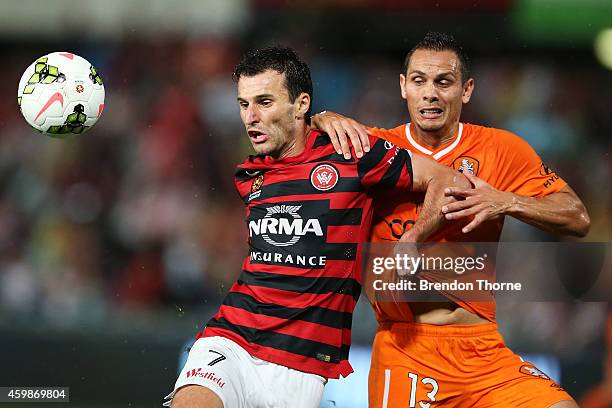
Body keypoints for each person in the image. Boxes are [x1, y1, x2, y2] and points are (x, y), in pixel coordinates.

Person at [167, 46, 470, 408]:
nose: (251, 117)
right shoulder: (250, 174)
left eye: (264, 102)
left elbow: (451, 181)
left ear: (300, 105)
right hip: (231, 338)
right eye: (243, 104)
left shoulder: (352, 153)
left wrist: (414, 237)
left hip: (302, 366)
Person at [312, 32, 590, 407]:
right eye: (419, 81)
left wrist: (505, 201)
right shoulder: (370, 148)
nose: (430, 93)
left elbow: (577, 217)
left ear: (466, 90)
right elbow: (295, 141)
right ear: (403, 87)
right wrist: (321, 117)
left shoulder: (501, 149)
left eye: (443, 82)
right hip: (406, 348)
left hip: (484, 352)